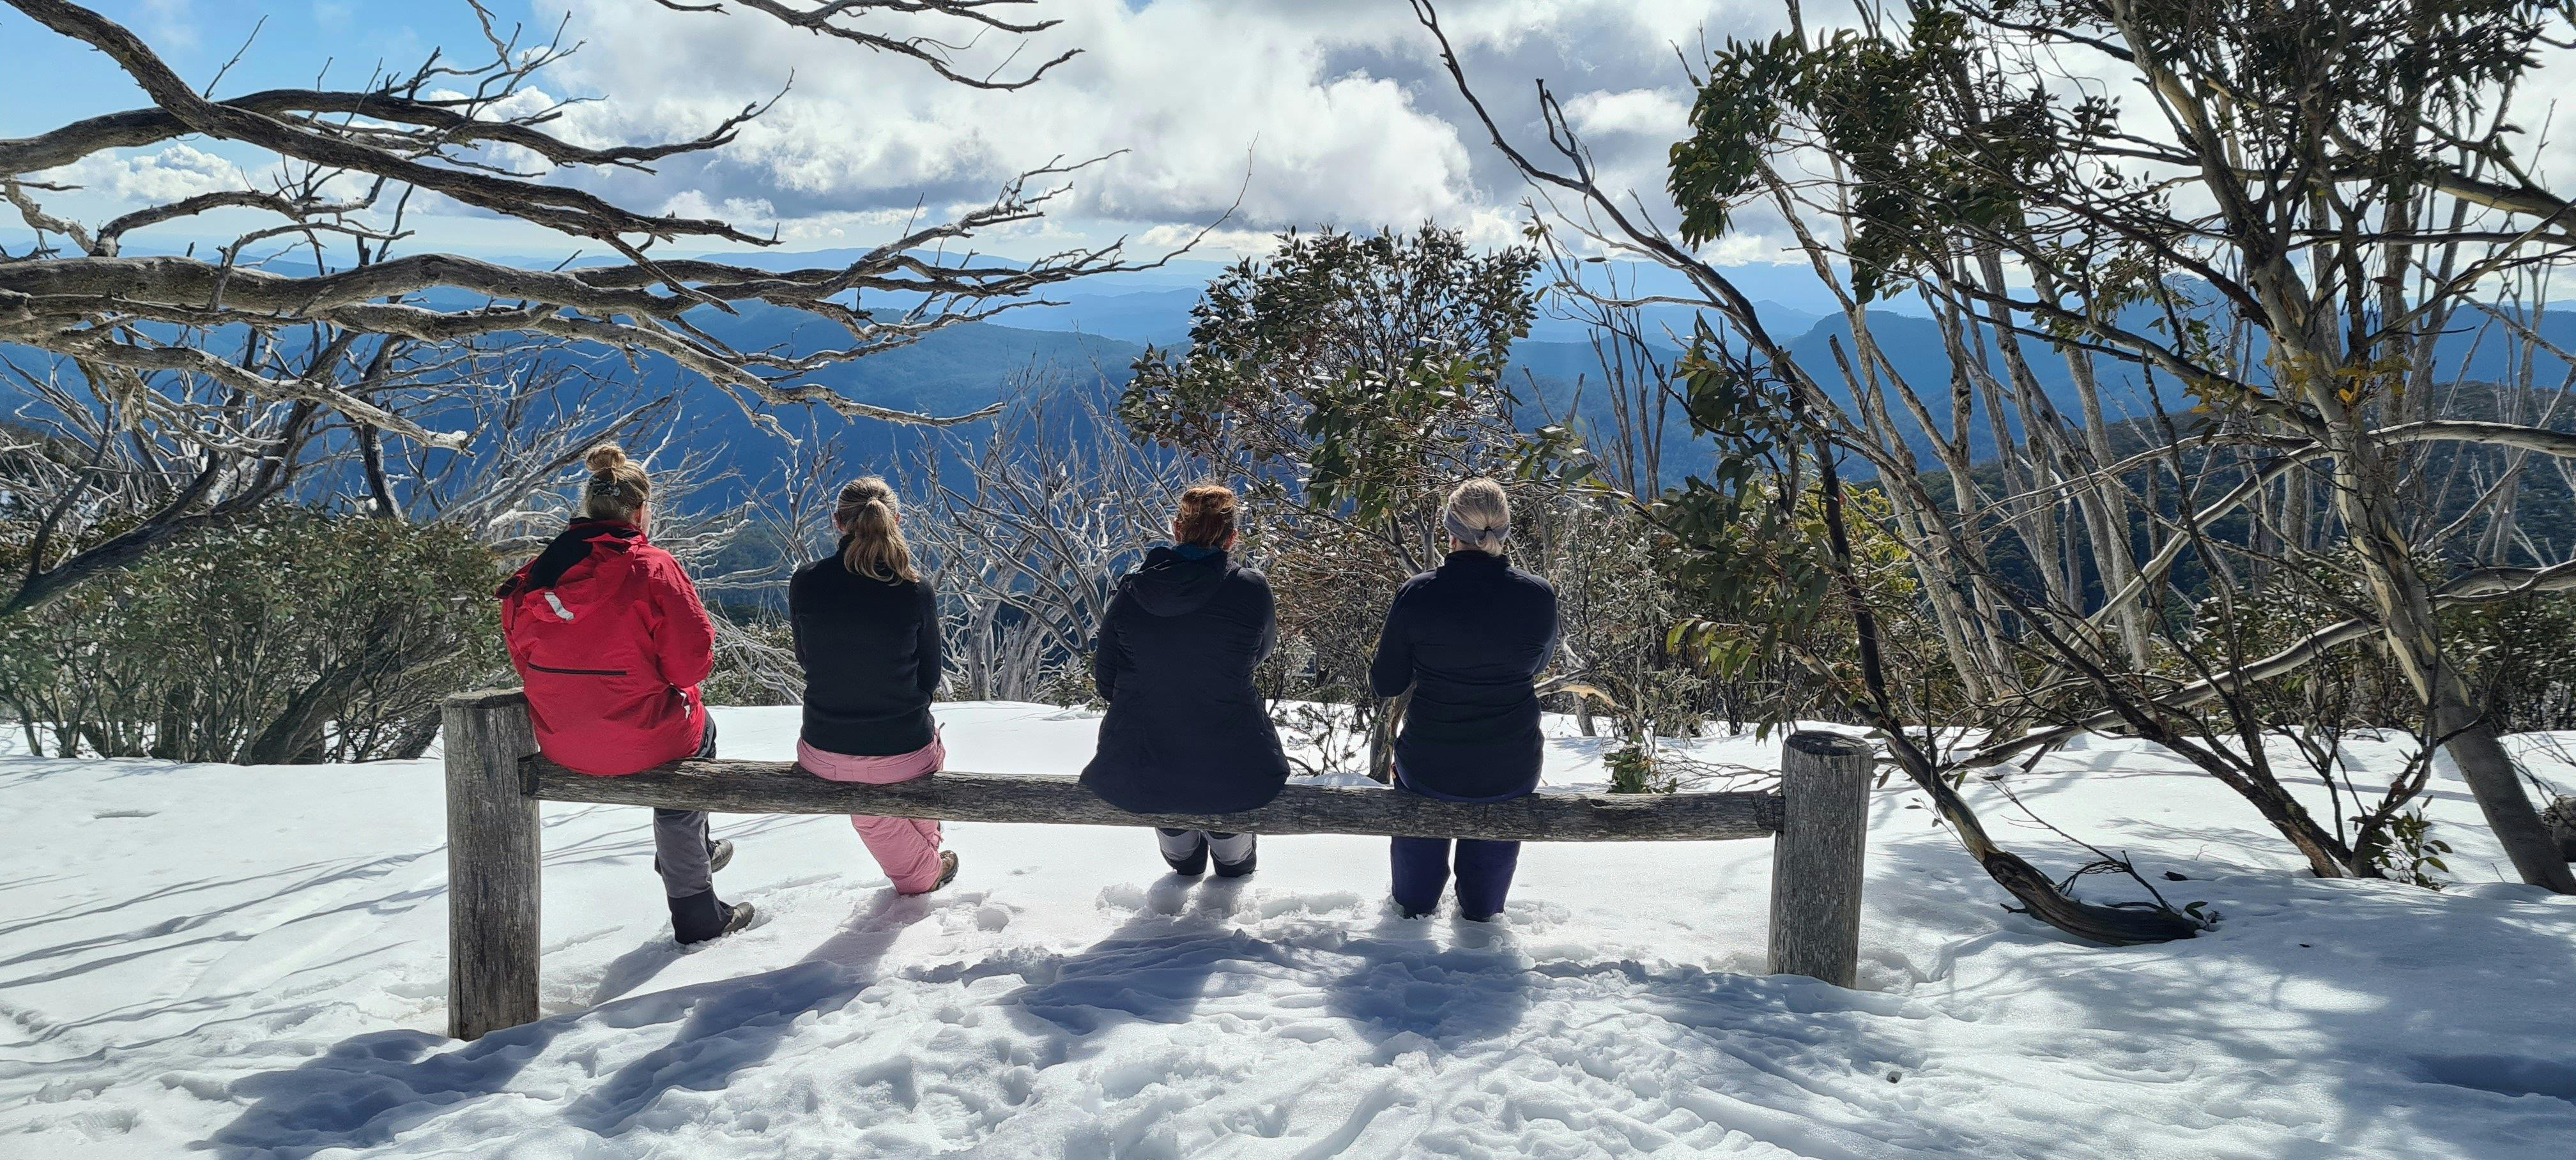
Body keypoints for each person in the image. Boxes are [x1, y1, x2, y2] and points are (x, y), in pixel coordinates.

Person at [499, 443, 753, 945]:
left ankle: (694, 853)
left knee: (684, 735)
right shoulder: (652, 568)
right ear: (641, 512)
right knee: (697, 742)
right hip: (644, 740)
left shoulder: (537, 574)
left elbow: (525, 660)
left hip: (560, 740)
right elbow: (690, 665)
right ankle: (694, 904)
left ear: (587, 508)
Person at [1370, 478, 1559, 922]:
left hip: (1430, 766)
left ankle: (1414, 908)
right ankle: (1479, 917)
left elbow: (1387, 682)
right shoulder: (1538, 596)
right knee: (1482, 912)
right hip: (1510, 767)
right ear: (1505, 530)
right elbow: (1536, 666)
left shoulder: (1420, 593)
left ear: (1449, 530)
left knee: (1412, 905)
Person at [1082, 484, 1290, 877]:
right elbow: (1259, 654)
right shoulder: (1251, 588)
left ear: (1177, 530)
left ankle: (1181, 850)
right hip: (1234, 758)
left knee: (1183, 862)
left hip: (1147, 758)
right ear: (1232, 538)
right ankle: (1228, 855)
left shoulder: (1133, 590)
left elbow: (1106, 679)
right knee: (1235, 862)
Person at [790, 477, 960, 895]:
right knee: (922, 754)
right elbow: (930, 677)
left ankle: (926, 860)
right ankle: (923, 872)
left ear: (838, 523)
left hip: (823, 748)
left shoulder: (807, 581)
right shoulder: (913, 588)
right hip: (902, 749)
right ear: (896, 521)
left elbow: (806, 658)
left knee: (891, 779)